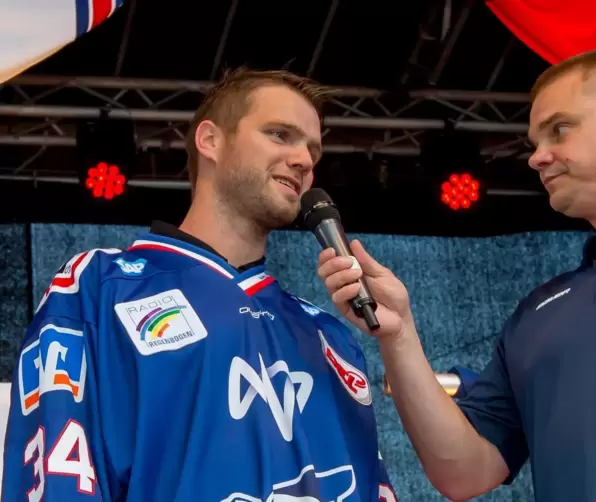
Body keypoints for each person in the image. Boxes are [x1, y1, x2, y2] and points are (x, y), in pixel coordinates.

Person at [316, 47, 596, 502]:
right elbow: (464, 474)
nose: (537, 157)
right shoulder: (539, 312)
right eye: (535, 143)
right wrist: (399, 334)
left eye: (559, 130)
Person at [2, 68, 398, 502]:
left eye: (312, 148)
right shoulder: (100, 286)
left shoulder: (331, 336)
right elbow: (58, 476)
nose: (305, 160)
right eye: (280, 135)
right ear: (210, 140)